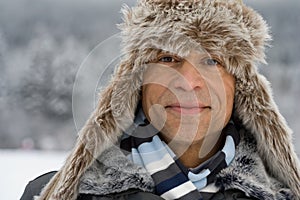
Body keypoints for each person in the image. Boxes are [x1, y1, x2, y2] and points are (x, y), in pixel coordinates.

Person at [21, 0, 300, 199]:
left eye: (212, 61)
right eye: (167, 59)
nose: (189, 83)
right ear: (135, 81)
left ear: (242, 88)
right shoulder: (53, 194)